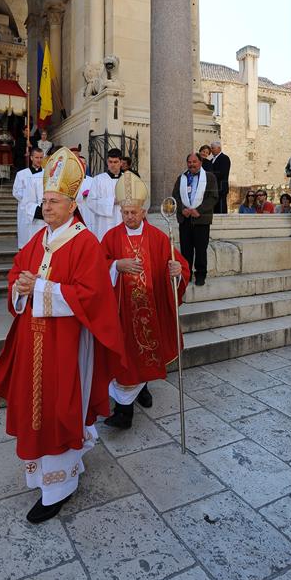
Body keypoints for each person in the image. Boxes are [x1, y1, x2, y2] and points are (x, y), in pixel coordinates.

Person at [0, 147, 125, 524]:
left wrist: (41, 288)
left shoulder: (85, 242)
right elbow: (19, 271)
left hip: (66, 344)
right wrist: (19, 287)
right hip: (32, 340)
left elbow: (93, 296)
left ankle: (59, 486)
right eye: (45, 201)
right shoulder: (38, 239)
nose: (46, 207)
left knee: (60, 407)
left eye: (53, 202)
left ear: (71, 205)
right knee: (36, 405)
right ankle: (45, 471)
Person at [101, 172, 190, 428]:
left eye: (133, 212)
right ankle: (124, 411)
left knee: (146, 349)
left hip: (150, 307)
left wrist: (176, 273)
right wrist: (116, 265)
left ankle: (141, 389)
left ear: (143, 212)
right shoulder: (111, 238)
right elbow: (96, 268)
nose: (128, 216)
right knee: (126, 356)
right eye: (125, 212)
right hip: (121, 312)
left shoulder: (159, 238)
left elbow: (179, 267)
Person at [172, 153, 218, 287]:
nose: (191, 164)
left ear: (201, 162)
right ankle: (186, 274)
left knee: (200, 249)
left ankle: (200, 275)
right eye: (189, 162)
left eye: (194, 162)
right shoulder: (181, 178)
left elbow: (213, 197)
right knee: (186, 249)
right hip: (185, 219)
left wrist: (199, 210)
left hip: (201, 219)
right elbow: (175, 196)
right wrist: (182, 209)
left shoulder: (209, 177)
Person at [86, 148, 123, 241]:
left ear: (121, 162)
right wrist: (111, 202)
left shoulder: (128, 179)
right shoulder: (98, 179)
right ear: (107, 162)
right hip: (104, 224)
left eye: (115, 162)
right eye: (110, 162)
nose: (112, 165)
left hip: (122, 220)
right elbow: (90, 202)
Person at [12, 147, 45, 248]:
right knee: (27, 238)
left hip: (42, 209)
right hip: (26, 210)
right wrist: (29, 202)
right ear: (31, 158)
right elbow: (16, 192)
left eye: (41, 157)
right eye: (36, 157)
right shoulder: (21, 174)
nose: (39, 160)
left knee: (41, 239)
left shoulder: (47, 174)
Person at [209, 141, 231, 213]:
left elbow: (222, 173)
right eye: (211, 148)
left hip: (221, 187)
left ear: (219, 148)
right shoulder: (211, 160)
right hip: (213, 188)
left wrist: (209, 176)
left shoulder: (224, 158)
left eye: (213, 148)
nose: (211, 150)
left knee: (221, 209)